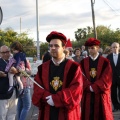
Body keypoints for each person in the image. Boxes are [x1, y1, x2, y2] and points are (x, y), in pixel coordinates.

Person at [32, 31, 83, 120]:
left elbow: (76, 90)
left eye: (56, 46)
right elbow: (37, 88)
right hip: (47, 111)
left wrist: (56, 99)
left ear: (63, 47)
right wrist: (47, 97)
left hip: (66, 113)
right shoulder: (42, 68)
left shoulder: (74, 67)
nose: (53, 48)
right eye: (51, 46)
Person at [80, 38, 113, 120]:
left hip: (100, 93)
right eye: (89, 48)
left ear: (97, 48)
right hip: (87, 94)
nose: (90, 50)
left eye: (93, 48)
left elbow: (107, 78)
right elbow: (80, 76)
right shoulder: (83, 62)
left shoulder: (105, 62)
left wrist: (94, 87)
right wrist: (88, 87)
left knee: (102, 114)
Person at [0, 45, 18, 120]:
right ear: (0, 53)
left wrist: (16, 71)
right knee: (2, 115)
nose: (5, 54)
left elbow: (21, 72)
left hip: (13, 92)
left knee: (12, 114)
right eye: (3, 52)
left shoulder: (13, 61)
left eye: (7, 52)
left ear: (9, 52)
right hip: (3, 93)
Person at [107, 42, 120, 112]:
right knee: (113, 93)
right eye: (113, 47)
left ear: (119, 48)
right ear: (111, 48)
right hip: (112, 78)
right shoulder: (108, 57)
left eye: (116, 47)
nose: (115, 48)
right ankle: (116, 106)